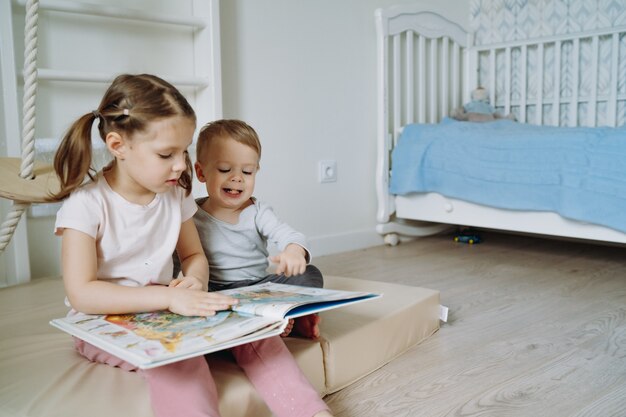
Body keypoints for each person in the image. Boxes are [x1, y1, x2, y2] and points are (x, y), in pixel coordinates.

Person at [53, 74, 332, 417]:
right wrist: (169, 297)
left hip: (168, 308)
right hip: (104, 320)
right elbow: (82, 293)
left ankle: (310, 413)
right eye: (167, 154)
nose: (181, 165)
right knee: (179, 359)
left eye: (184, 152)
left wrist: (196, 282)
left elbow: (193, 255)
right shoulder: (85, 205)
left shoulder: (174, 194)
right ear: (117, 146)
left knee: (258, 334)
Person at [188, 119, 323, 339]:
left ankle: (295, 318)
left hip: (259, 288)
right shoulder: (191, 214)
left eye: (248, 172)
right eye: (225, 169)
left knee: (310, 274)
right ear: (201, 172)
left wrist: (293, 251)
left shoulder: (259, 212)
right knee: (190, 301)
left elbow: (289, 234)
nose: (237, 178)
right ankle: (267, 320)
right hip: (214, 290)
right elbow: (180, 257)